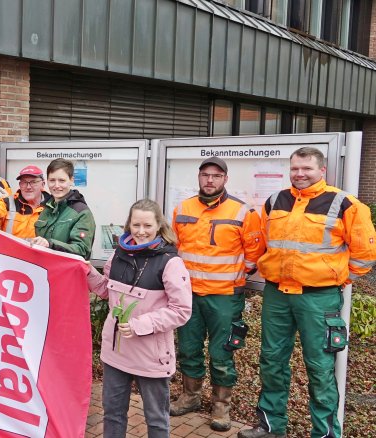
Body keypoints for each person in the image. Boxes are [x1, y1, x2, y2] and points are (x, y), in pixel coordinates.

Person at [239, 147, 376, 438]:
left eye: (307, 169)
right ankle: (271, 426)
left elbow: (365, 256)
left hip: (319, 298)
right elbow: (263, 242)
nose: (300, 174)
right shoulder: (275, 200)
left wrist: (335, 278)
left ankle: (324, 434)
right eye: (295, 169)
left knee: (319, 367)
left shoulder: (346, 205)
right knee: (271, 360)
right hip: (277, 295)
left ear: (321, 170)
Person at [169, 157, 265, 432]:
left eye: (216, 176)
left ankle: (221, 406)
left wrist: (235, 277)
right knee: (188, 348)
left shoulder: (242, 211)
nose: (210, 180)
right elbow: (173, 246)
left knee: (222, 352)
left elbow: (254, 254)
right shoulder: (183, 208)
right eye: (205, 175)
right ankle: (190, 396)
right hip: (188, 295)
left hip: (224, 296)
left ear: (225, 179)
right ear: (199, 177)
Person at [86, 199, 192, 438]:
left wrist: (140, 325)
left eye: (147, 225)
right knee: (112, 413)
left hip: (150, 355)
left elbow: (182, 310)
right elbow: (106, 291)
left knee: (155, 419)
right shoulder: (119, 254)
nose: (141, 231)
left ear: (159, 226)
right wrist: (87, 272)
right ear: (128, 225)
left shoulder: (170, 262)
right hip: (115, 352)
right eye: (136, 225)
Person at [30, 158, 96, 259]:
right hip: (44, 270)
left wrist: (50, 244)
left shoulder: (82, 213)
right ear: (47, 181)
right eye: (52, 180)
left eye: (61, 180)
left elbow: (82, 250)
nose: (56, 186)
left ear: (71, 180)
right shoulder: (45, 209)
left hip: (67, 273)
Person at [0, 165, 50, 238]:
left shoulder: (53, 206)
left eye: (33, 182)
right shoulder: (8, 203)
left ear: (42, 184)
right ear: (20, 184)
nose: (28, 187)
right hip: (9, 252)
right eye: (24, 182)